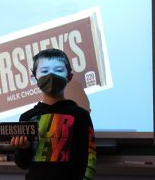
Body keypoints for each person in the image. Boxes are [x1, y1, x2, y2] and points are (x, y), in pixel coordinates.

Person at [10, 48, 96, 180]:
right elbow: (22, 164)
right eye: (44, 71)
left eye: (58, 70)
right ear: (34, 79)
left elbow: (89, 156)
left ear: (69, 77)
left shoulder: (80, 115)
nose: (51, 75)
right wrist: (23, 148)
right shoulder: (27, 117)